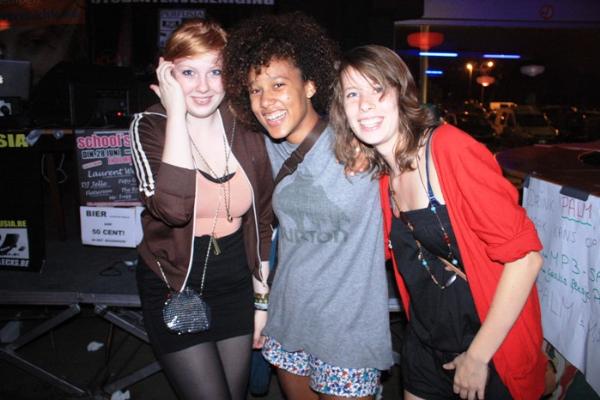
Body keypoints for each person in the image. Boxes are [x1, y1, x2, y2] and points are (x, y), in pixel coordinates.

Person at [330, 44, 546, 400]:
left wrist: (477, 356)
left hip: (487, 343)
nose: (365, 104)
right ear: (343, 109)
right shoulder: (383, 178)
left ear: (402, 94)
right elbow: (370, 252)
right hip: (424, 339)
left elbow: (526, 258)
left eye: (377, 89)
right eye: (353, 94)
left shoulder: (448, 149)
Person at [223, 13, 394, 400]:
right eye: (255, 90)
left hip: (350, 333)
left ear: (311, 84)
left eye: (278, 84)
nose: (266, 100)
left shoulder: (360, 139)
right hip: (289, 320)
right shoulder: (262, 148)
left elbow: (408, 129)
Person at [128, 19, 273, 400]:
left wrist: (262, 301)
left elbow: (262, 221)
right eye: (189, 72)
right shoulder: (149, 127)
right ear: (167, 73)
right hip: (175, 284)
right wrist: (176, 114)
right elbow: (174, 210)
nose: (204, 86)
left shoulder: (247, 125)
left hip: (236, 283)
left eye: (216, 71)